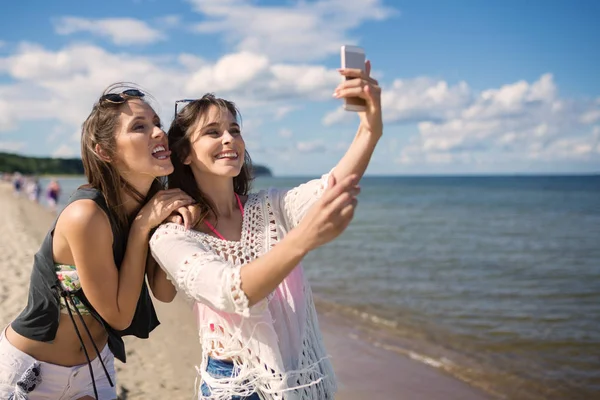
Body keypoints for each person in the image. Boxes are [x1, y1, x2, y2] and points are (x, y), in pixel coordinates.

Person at [149, 61, 382, 399]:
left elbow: (333, 185)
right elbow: (232, 292)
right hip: (236, 388)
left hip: (301, 374)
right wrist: (302, 241)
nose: (229, 139)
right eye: (213, 132)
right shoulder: (172, 237)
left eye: (235, 130)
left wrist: (370, 128)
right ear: (184, 154)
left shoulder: (270, 206)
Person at [0, 84, 196, 400]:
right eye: (139, 127)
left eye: (157, 123)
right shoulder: (85, 215)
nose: (159, 132)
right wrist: (142, 227)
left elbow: (163, 291)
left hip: (94, 367)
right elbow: (118, 316)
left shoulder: (149, 207)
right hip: (29, 373)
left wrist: (174, 225)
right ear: (104, 152)